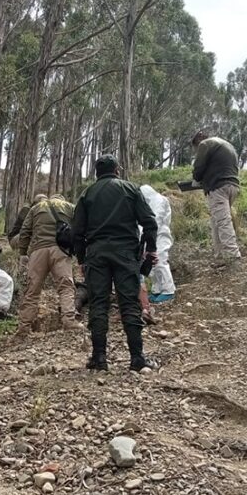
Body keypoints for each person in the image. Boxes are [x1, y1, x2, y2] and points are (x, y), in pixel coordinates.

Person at [72, 155, 159, 372]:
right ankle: (137, 358)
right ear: (117, 170)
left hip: (96, 255)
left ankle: (99, 358)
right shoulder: (131, 189)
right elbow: (149, 222)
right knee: (129, 303)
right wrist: (151, 249)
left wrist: (82, 259)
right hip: (125, 254)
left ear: (96, 173)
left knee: (98, 303)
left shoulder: (87, 194)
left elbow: (76, 233)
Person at [15, 193, 82, 335]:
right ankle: (69, 321)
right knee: (66, 287)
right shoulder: (70, 207)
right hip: (60, 251)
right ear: (62, 199)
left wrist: (22, 253)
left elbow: (25, 231)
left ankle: (24, 327)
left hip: (38, 252)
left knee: (32, 290)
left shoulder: (36, 208)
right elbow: (80, 227)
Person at [191, 131, 241, 264]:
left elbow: (199, 165)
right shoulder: (227, 145)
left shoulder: (205, 144)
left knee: (223, 221)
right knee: (216, 221)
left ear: (197, 142)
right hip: (233, 186)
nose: (196, 151)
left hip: (218, 187)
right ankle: (219, 256)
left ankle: (232, 255)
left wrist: (196, 178)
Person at [139, 184, 176, 303]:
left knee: (160, 261)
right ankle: (157, 290)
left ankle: (168, 290)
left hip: (161, 235)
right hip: (152, 236)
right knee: (152, 264)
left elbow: (155, 221)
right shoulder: (149, 203)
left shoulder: (159, 201)